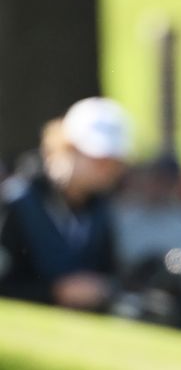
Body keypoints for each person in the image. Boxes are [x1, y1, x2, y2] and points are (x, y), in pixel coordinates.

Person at [0, 97, 130, 311]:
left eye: (114, 162)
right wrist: (54, 291)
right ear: (67, 148)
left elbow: (108, 273)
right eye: (99, 159)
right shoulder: (17, 201)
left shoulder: (100, 210)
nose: (108, 170)